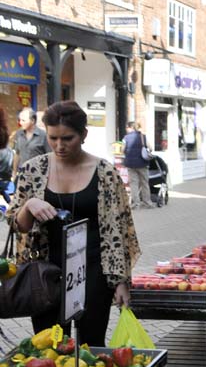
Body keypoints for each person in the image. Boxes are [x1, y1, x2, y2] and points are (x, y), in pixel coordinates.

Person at [10, 101, 140, 346]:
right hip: (45, 271)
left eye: (67, 138)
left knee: (91, 343)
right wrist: (29, 206)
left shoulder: (104, 172)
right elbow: (19, 226)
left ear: (83, 135)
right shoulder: (32, 170)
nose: (60, 146)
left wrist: (121, 281)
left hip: (93, 268)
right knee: (50, 346)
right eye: (53, 138)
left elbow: (120, 229)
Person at [122, 122, 153, 209]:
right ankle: (147, 203)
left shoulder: (126, 138)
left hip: (131, 165)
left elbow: (122, 149)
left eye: (127, 127)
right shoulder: (143, 137)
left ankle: (136, 203)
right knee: (144, 183)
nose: (126, 129)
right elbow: (151, 148)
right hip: (143, 163)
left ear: (131, 128)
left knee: (134, 184)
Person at [12, 109, 50, 173]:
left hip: (38, 174)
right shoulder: (19, 134)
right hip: (22, 174)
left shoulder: (43, 135)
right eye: (19, 120)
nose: (20, 123)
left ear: (32, 120)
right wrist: (14, 172)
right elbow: (17, 154)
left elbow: (49, 156)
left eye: (23, 120)